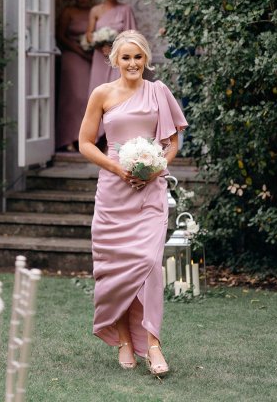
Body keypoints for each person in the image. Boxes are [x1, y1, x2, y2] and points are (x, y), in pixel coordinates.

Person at [79, 30, 188, 376]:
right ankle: (125, 339)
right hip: (113, 191)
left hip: (150, 192)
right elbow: (85, 143)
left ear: (146, 59)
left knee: (148, 263)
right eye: (125, 57)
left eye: (138, 57)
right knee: (116, 269)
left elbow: (171, 142)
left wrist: (156, 169)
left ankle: (153, 344)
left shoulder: (159, 92)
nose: (132, 63)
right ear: (114, 60)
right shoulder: (102, 94)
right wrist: (117, 168)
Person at [56, 0, 93, 152]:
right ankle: (67, 138)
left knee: (87, 98)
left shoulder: (94, 12)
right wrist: (78, 50)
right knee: (73, 98)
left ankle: (84, 139)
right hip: (72, 56)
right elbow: (60, 36)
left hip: (89, 58)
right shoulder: (68, 11)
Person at [87, 0, 136, 95]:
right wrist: (98, 44)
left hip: (118, 59)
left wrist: (114, 49)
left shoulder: (126, 10)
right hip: (99, 58)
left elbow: (132, 37)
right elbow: (89, 34)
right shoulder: (95, 10)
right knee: (98, 94)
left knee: (117, 95)